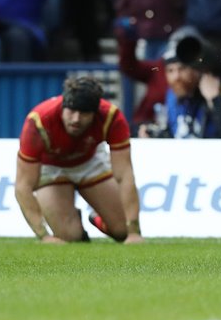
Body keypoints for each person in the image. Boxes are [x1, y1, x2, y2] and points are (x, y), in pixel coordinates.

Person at [14, 76, 143, 244]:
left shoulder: (111, 117)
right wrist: (44, 236)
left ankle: (97, 218)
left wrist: (133, 231)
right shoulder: (38, 122)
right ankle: (72, 221)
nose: (76, 119)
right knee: (71, 237)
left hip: (90, 161)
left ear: (95, 112)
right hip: (51, 167)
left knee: (122, 231)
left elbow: (125, 174)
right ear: (63, 106)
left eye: (84, 113)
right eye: (71, 111)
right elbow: (23, 186)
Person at [138, 26, 221, 139]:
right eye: (170, 70)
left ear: (197, 70)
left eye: (182, 69)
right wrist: (157, 136)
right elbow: (179, 133)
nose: (176, 77)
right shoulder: (173, 94)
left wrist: (215, 100)